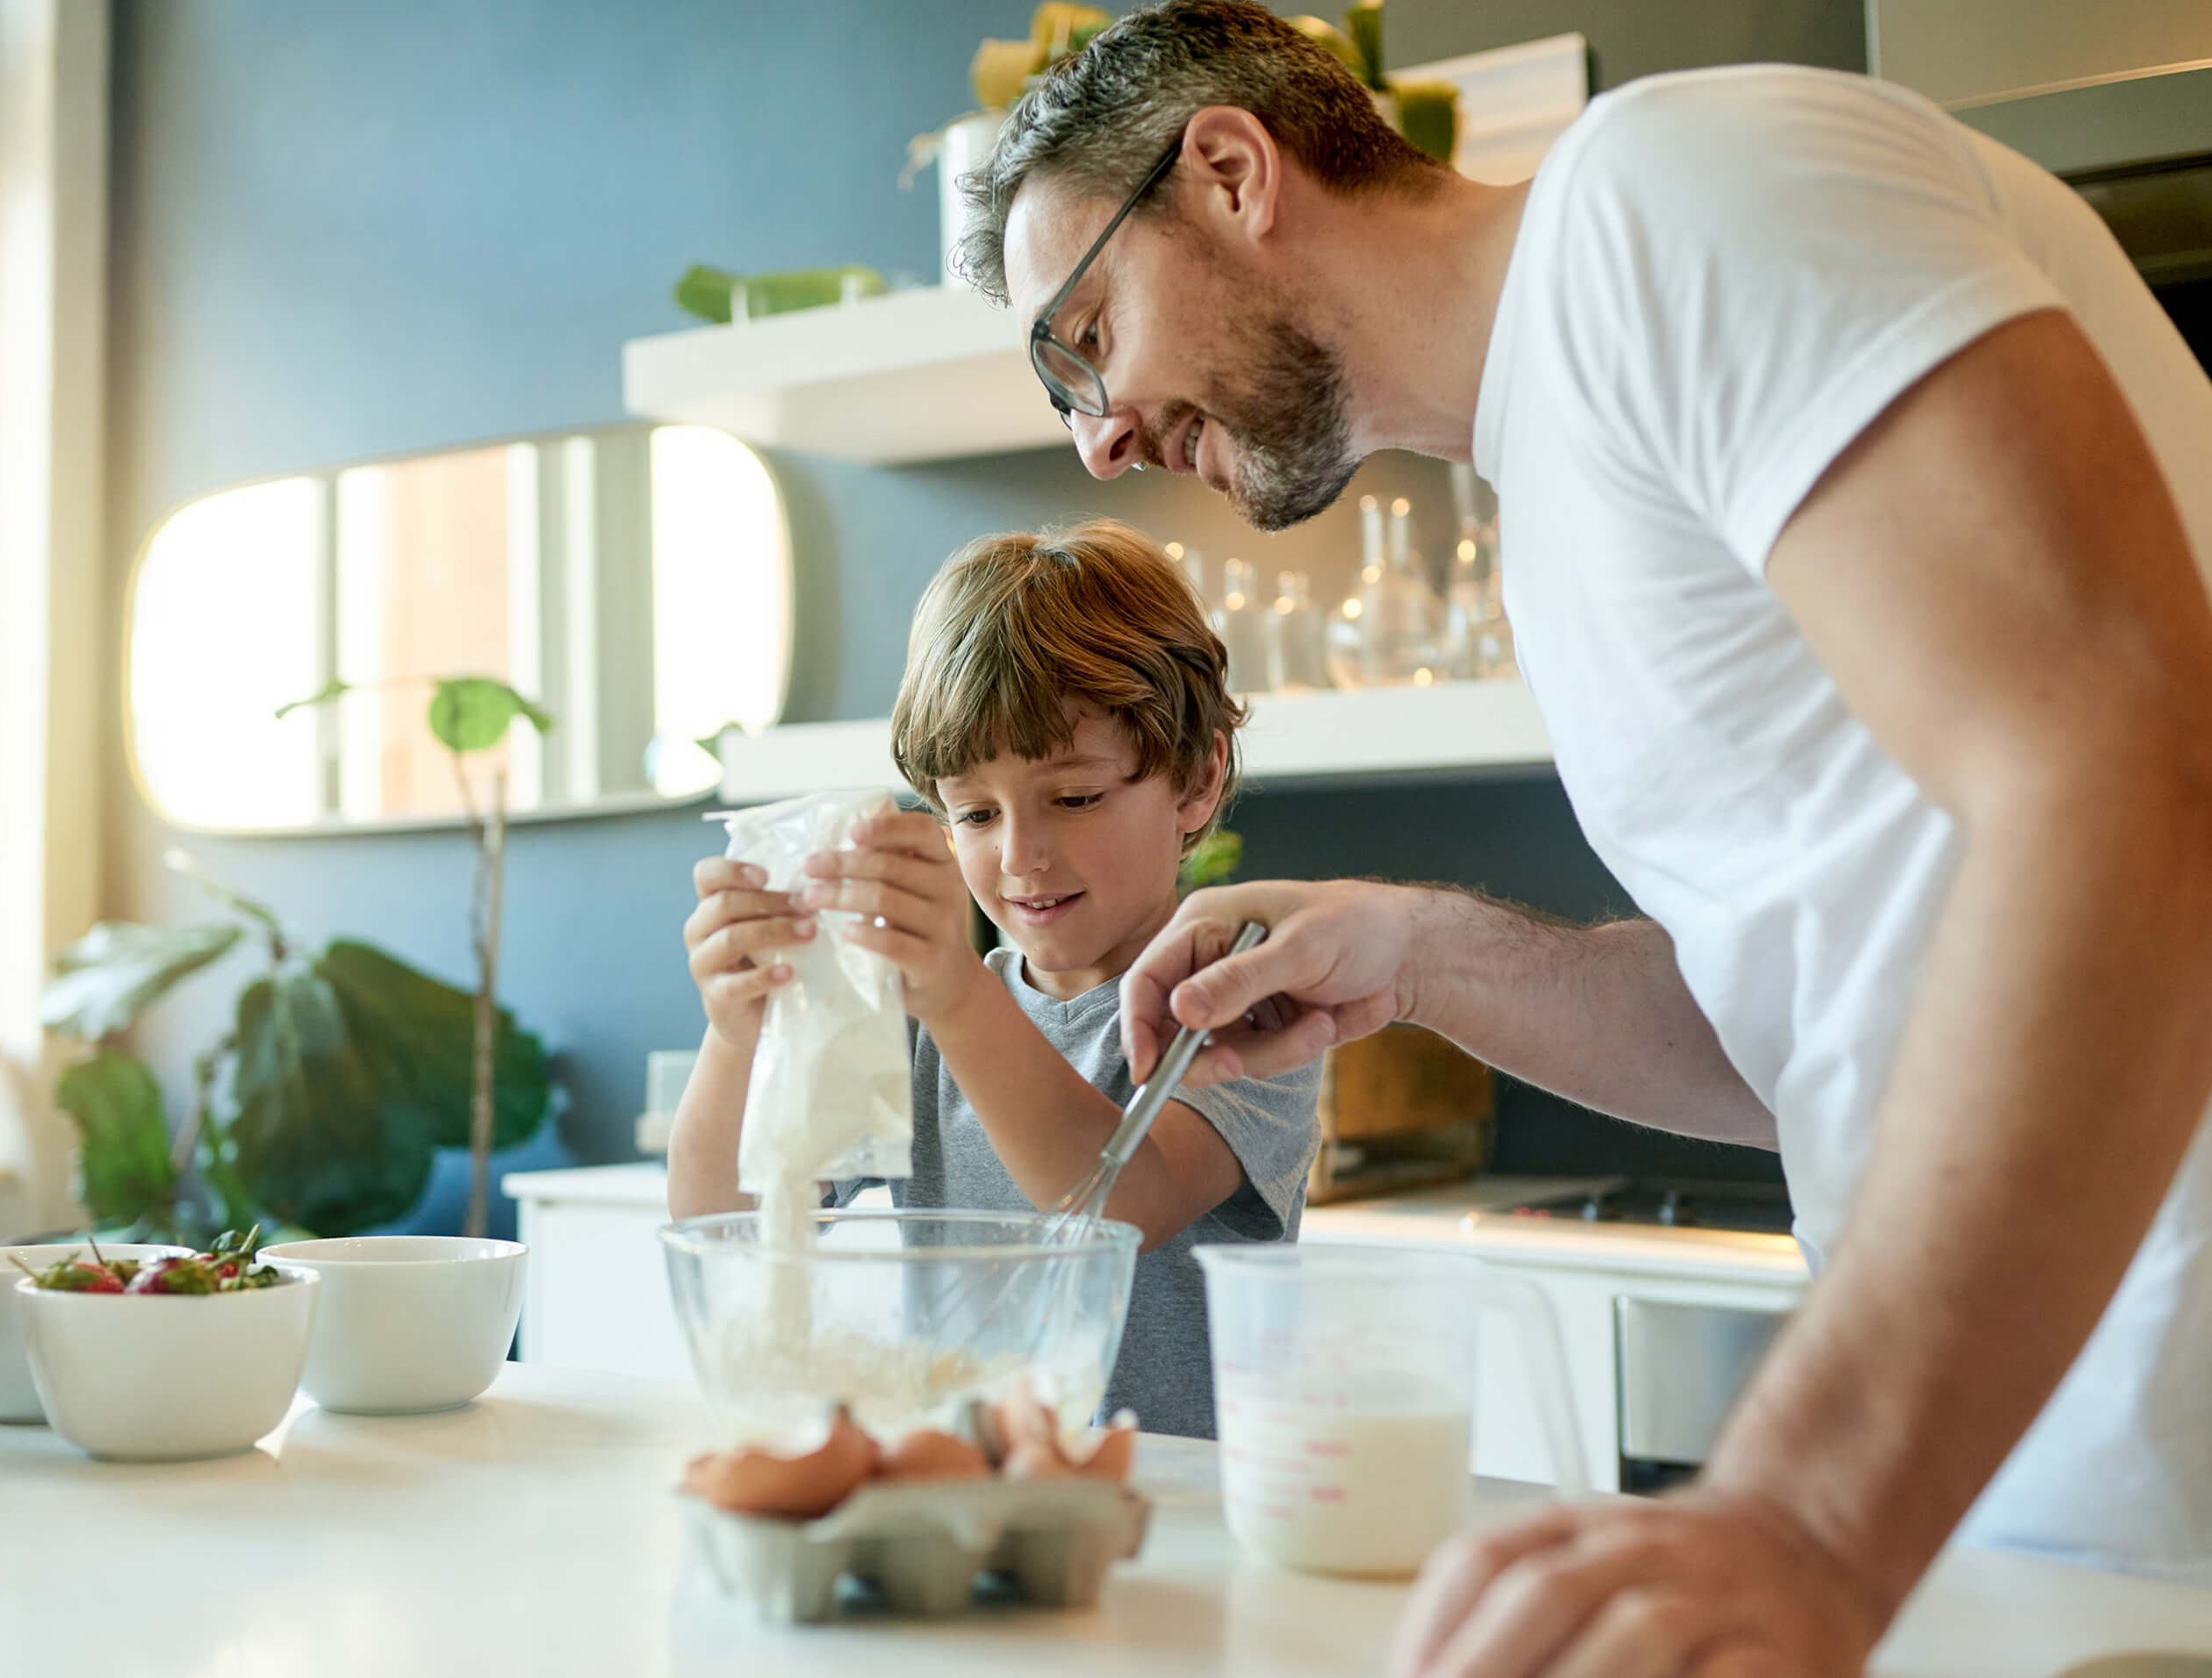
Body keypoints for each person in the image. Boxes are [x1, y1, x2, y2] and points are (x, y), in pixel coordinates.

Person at [959, 1, 2212, 1671]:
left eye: (1086, 335)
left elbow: (2133, 774)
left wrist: (1810, 1516)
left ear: (1234, 172)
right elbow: (1827, 1042)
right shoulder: (1548, 511)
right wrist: (1420, 951)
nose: (1099, 437)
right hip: (2056, 1483)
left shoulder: (1669, 192)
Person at [666, 519, 1322, 1439]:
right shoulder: (919, 1018)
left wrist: (954, 994)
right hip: (969, 1497)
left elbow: (1119, 1202)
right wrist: (740, 1032)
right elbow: (719, 1217)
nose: (1023, 855)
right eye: (974, 811)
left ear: (1196, 778)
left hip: (1184, 1513)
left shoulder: (1243, 1002)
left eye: (1076, 797)